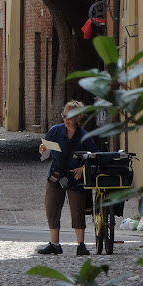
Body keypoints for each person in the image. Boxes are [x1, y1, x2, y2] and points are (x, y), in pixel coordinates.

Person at [37, 100, 98, 256]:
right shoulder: (55, 131)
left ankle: (81, 245)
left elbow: (94, 157)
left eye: (70, 116)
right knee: (52, 208)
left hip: (75, 176)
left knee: (78, 209)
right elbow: (45, 151)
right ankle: (55, 244)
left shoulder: (85, 136)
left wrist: (83, 169)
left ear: (78, 117)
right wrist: (42, 148)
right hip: (56, 174)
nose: (66, 119)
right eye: (64, 115)